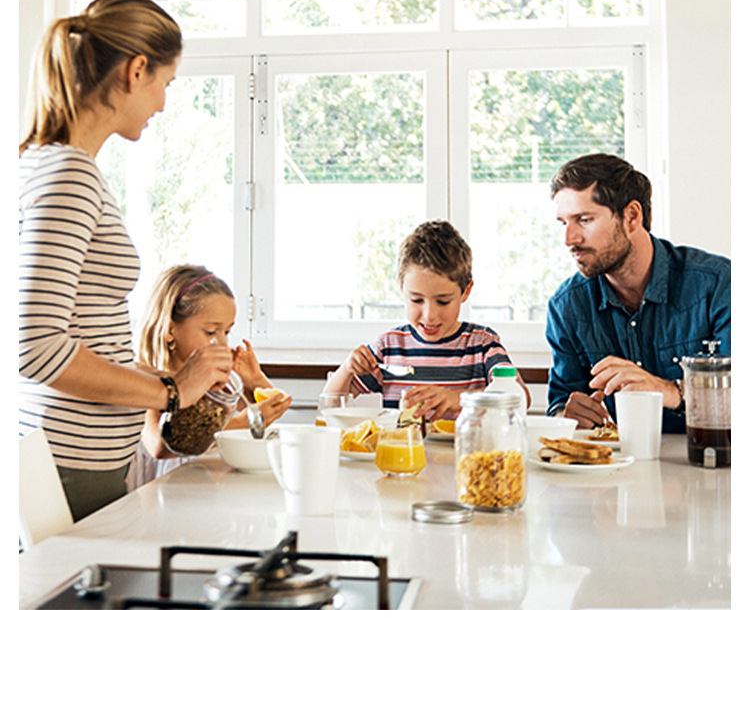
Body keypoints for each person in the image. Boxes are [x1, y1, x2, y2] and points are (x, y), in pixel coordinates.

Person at [19, 0, 233, 521]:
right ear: (137, 71)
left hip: (74, 459)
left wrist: (162, 379)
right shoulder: (70, 174)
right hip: (71, 463)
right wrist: (171, 391)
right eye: (166, 83)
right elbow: (34, 345)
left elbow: (77, 333)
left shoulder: (47, 164)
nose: (162, 103)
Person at [545, 153, 731, 432]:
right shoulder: (567, 306)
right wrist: (567, 417)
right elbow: (561, 402)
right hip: (619, 459)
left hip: (711, 455)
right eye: (563, 223)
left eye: (584, 220)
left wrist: (670, 391)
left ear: (632, 216)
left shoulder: (719, 284)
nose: (569, 239)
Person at [324, 220, 530, 420]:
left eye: (443, 301)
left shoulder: (483, 344)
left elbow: (520, 398)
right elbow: (330, 405)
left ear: (466, 291)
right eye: (416, 300)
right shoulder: (389, 347)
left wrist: (459, 399)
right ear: (402, 288)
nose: (429, 315)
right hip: (404, 444)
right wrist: (348, 368)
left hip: (467, 444)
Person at [128, 265, 292, 489]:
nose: (222, 343)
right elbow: (159, 446)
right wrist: (240, 423)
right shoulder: (149, 383)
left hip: (206, 491)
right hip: (163, 495)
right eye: (211, 332)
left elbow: (268, 414)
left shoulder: (220, 386)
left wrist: (255, 381)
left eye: (226, 332)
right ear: (170, 330)